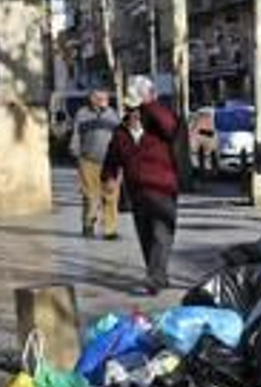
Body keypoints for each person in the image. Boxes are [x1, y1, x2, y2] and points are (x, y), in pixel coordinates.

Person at [101, 76, 181, 295]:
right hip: (137, 192)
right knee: (146, 235)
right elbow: (112, 158)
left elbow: (171, 125)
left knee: (161, 234)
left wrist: (149, 102)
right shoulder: (120, 132)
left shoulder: (158, 124)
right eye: (130, 108)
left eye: (137, 107)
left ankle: (154, 277)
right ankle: (157, 275)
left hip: (162, 188)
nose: (133, 112)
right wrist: (108, 177)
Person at [71, 89, 121, 239]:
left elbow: (119, 137)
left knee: (111, 196)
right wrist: (75, 153)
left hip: (110, 162)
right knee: (90, 196)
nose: (102, 100)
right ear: (91, 99)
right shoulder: (82, 113)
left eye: (104, 97)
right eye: (98, 97)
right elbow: (76, 135)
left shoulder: (113, 114)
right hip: (88, 161)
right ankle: (88, 225)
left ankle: (110, 230)